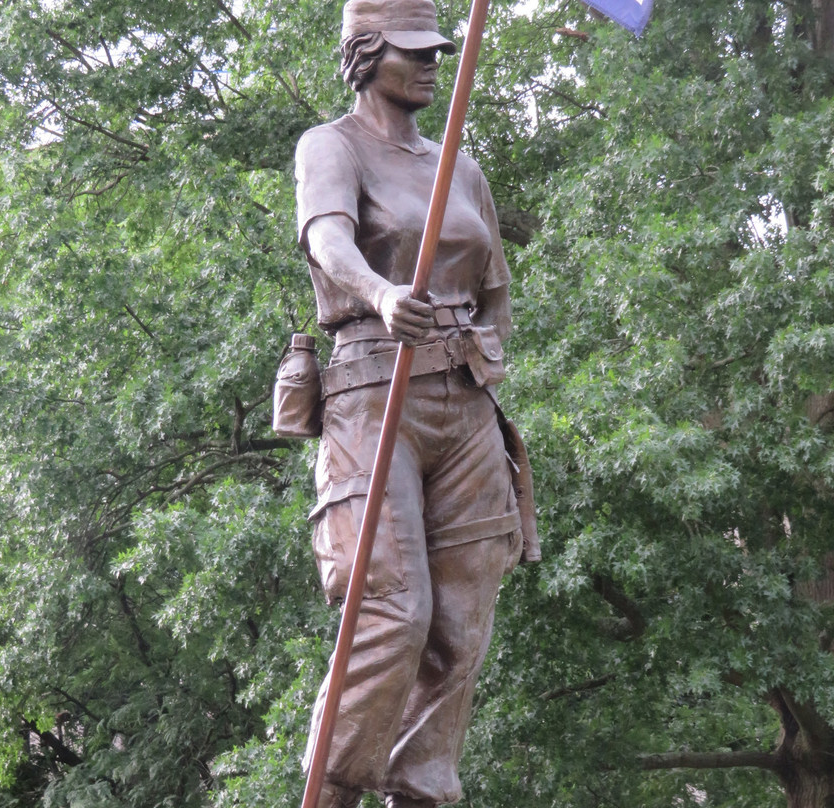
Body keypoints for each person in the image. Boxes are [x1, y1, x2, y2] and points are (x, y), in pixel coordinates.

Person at [294, 2, 536, 806]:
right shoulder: (331, 146)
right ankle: (332, 791)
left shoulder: (460, 167)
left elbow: (495, 287)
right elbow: (326, 239)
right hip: (374, 396)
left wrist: (482, 358)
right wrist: (380, 291)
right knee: (395, 611)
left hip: (463, 403)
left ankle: (425, 792)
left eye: (439, 49)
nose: (432, 63)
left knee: (462, 630)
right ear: (365, 56)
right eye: (412, 51)